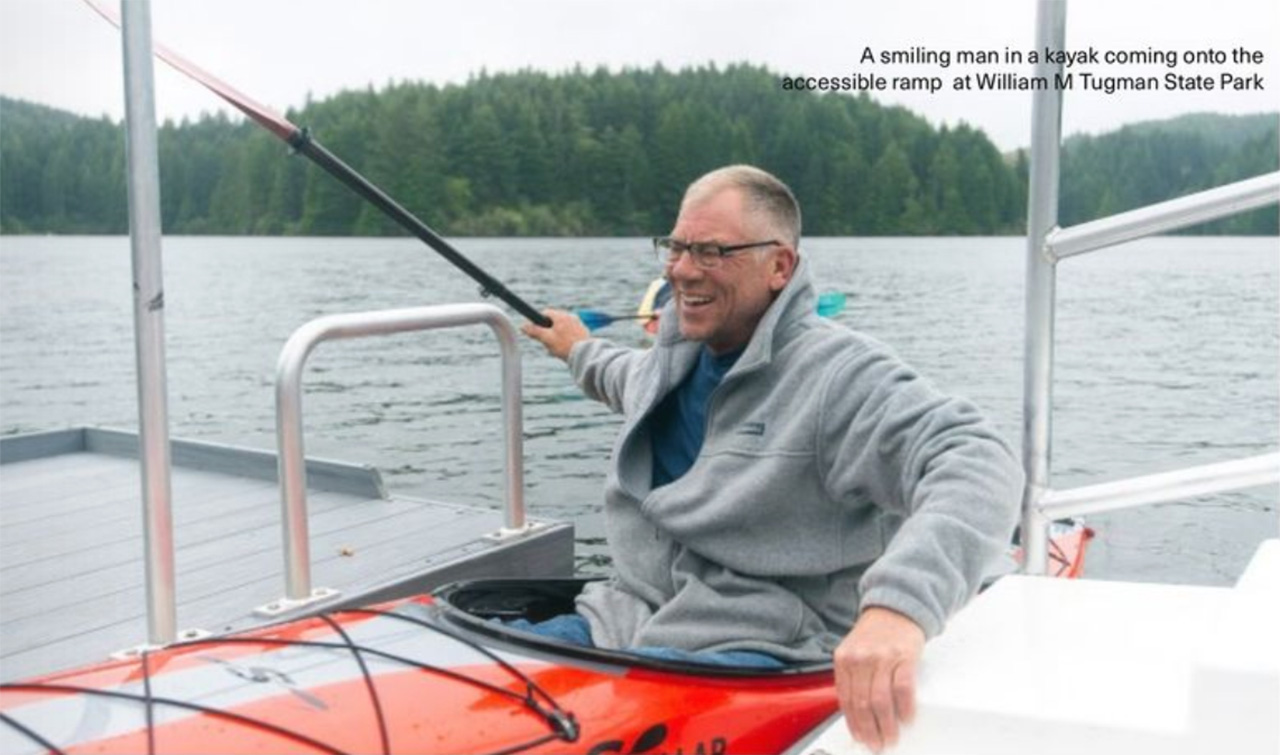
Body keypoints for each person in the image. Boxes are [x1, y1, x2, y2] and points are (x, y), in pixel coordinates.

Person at [521, 165, 1022, 752]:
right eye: (677, 247)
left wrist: (899, 609)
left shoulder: (837, 375)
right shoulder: (675, 354)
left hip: (754, 649)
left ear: (779, 267)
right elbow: (621, 376)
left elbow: (978, 458)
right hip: (623, 617)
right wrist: (575, 347)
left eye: (711, 252)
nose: (682, 270)